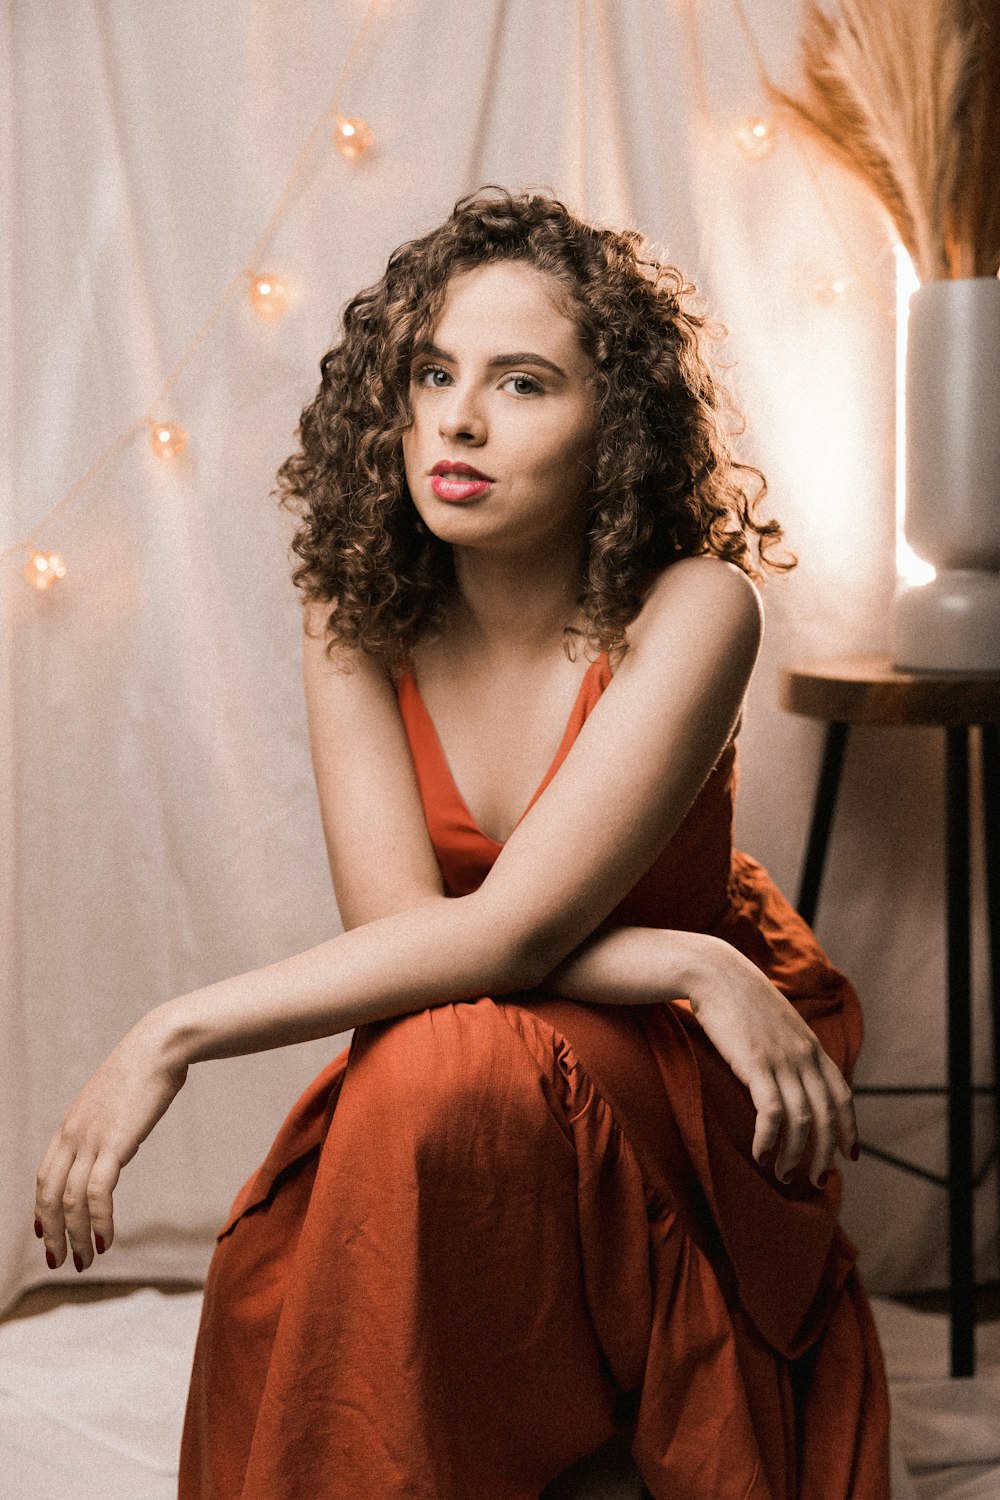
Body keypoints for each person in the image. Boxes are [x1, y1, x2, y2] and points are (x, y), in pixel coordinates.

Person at [33, 186, 890, 1499]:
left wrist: (174, 1030)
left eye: (524, 381)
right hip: (565, 1018)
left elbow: (513, 931)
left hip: (677, 1076)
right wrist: (677, 960)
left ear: (617, 427)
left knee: (439, 1069)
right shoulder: (356, 607)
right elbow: (407, 936)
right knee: (442, 1065)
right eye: (433, 371)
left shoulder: (697, 606)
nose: (459, 419)